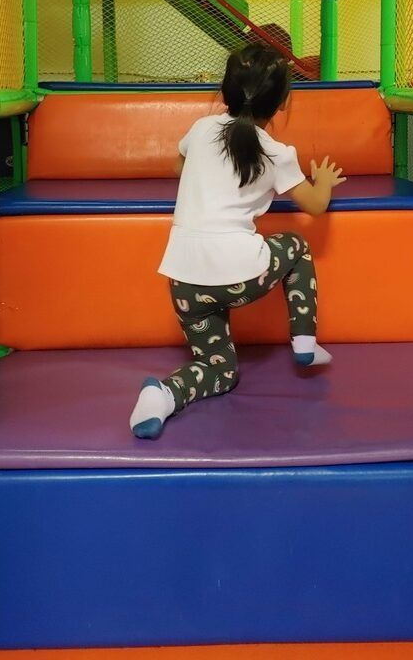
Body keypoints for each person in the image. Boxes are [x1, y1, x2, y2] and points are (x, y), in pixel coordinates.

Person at [129, 44, 346, 439]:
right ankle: (304, 341)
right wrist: (325, 183)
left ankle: (163, 395)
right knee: (296, 247)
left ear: (225, 91)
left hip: (184, 281)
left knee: (220, 370)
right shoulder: (278, 153)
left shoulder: (200, 130)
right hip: (240, 275)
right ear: (281, 104)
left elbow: (177, 165)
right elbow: (314, 206)